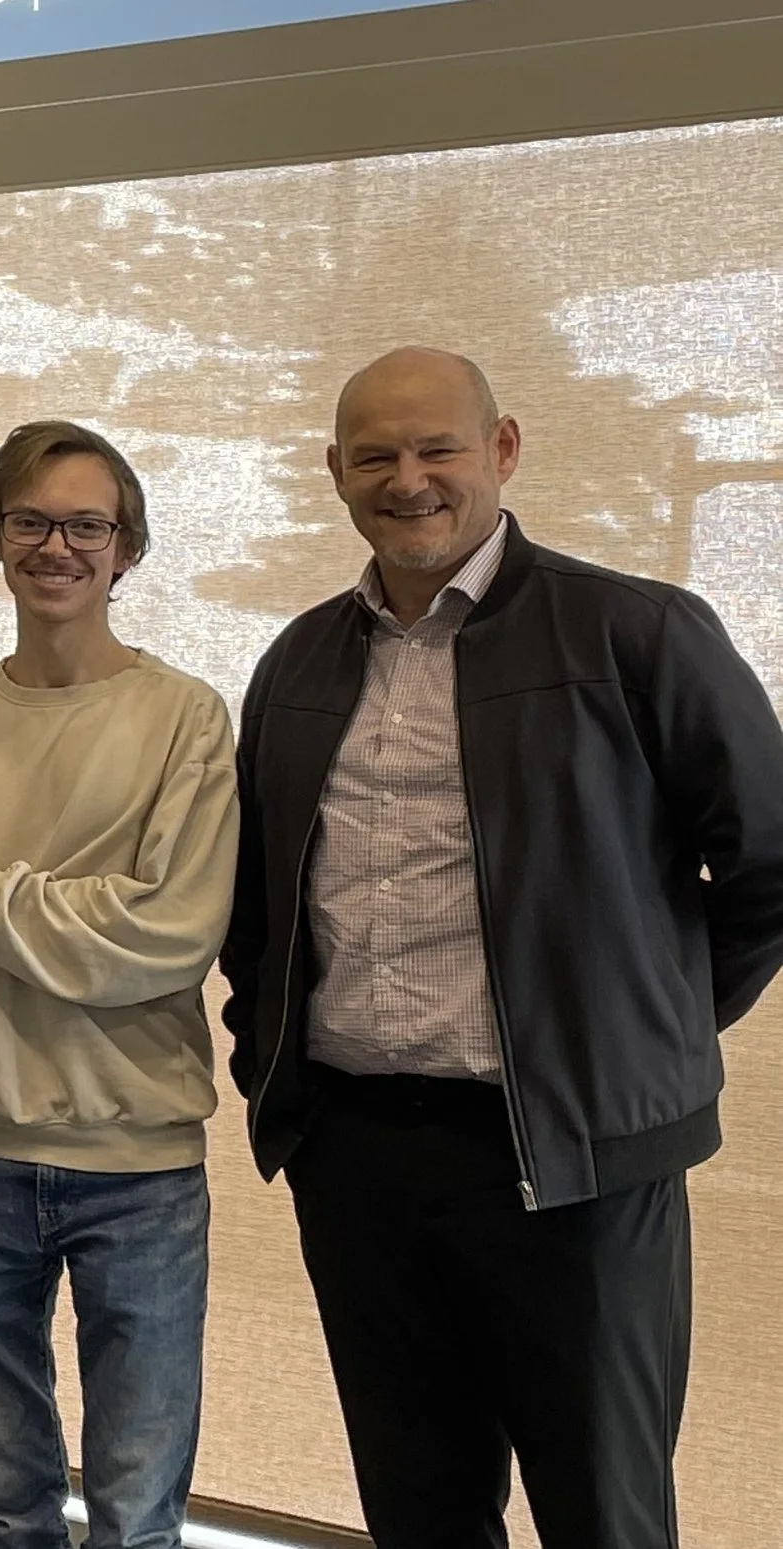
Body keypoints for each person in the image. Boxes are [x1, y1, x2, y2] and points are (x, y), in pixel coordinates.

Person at [220, 347, 783, 1549]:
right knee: (416, 1509)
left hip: (576, 1169)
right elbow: (257, 911)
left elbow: (767, 865)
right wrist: (267, 1069)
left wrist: (637, 1031)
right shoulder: (298, 660)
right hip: (357, 1159)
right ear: (334, 471)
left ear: (503, 449)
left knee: (603, 1515)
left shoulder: (636, 632)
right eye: (374, 455)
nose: (407, 479)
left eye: (438, 448)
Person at [0, 421, 237, 1549]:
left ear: (127, 549)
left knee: (136, 1518)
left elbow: (165, 936)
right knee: (8, 1512)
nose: (56, 546)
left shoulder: (184, 717)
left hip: (138, 1161)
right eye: (29, 521)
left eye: (86, 526)